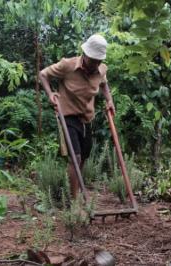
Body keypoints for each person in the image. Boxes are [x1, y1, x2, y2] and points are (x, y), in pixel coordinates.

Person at [39, 34, 115, 199]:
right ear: (85, 55)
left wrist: (109, 100)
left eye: (99, 61)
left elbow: (104, 84)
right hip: (67, 116)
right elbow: (43, 74)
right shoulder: (68, 65)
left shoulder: (101, 69)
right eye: (93, 60)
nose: (96, 64)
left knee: (84, 157)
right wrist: (50, 93)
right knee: (76, 157)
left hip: (87, 118)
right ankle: (74, 202)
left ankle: (76, 192)